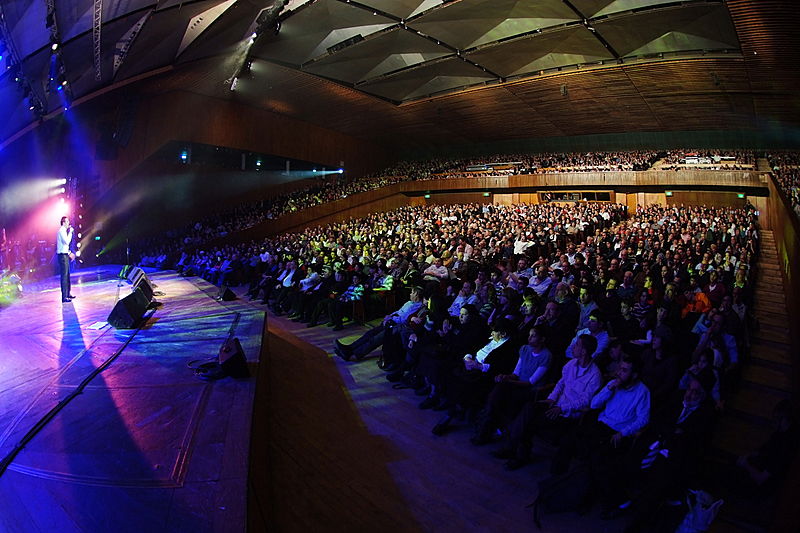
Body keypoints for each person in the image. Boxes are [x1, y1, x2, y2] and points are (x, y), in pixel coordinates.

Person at [56, 216, 76, 303]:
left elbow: (64, 246)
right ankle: (64, 297)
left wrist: (69, 253)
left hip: (65, 255)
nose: (69, 223)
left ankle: (68, 294)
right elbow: (66, 242)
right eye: (67, 221)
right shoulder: (62, 230)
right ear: (63, 223)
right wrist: (71, 232)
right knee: (64, 277)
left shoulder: (63, 231)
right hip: (62, 256)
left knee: (67, 275)